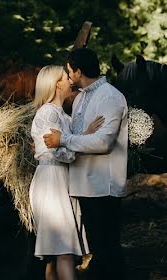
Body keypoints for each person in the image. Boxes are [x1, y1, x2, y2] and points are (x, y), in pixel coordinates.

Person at [44, 48, 128, 280]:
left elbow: (103, 142)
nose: (68, 77)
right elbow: (82, 135)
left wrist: (64, 140)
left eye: (69, 72)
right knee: (98, 251)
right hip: (83, 184)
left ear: (78, 71)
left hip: (103, 184)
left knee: (109, 248)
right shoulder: (80, 97)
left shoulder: (110, 97)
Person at [30, 65, 104, 280]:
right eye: (65, 77)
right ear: (56, 84)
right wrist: (79, 146)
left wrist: (86, 134)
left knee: (57, 252)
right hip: (51, 181)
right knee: (63, 251)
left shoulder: (62, 114)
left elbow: (67, 144)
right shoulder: (46, 113)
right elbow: (59, 153)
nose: (71, 80)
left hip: (62, 179)